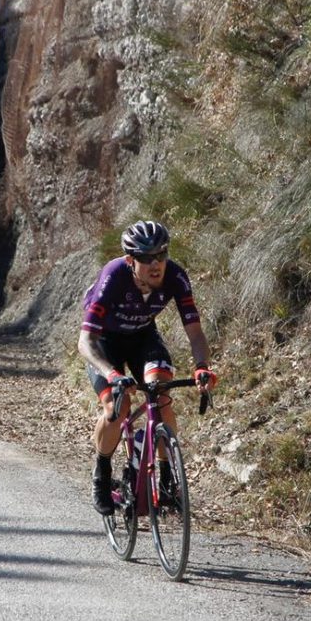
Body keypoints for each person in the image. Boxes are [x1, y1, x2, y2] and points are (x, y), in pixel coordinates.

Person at [77, 220, 218, 516]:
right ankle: (102, 474)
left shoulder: (176, 277)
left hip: (142, 337)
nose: (156, 264)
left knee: (162, 391)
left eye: (161, 255)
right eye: (146, 258)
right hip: (105, 343)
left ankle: (167, 477)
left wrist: (202, 367)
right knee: (118, 406)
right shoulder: (114, 276)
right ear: (131, 260)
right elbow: (85, 341)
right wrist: (112, 375)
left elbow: (194, 331)